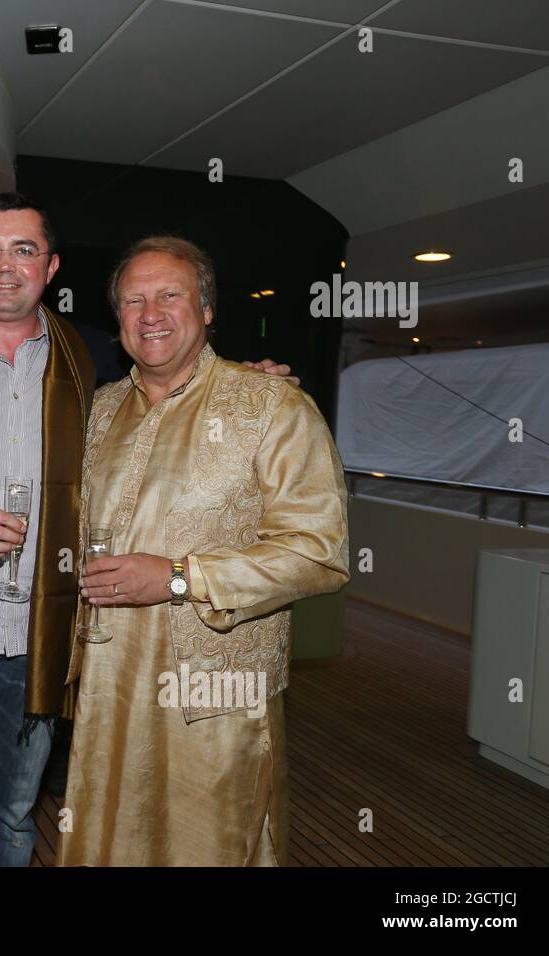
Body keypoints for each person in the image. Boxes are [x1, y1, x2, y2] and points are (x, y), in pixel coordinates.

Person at [0, 192, 295, 866]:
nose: (4, 266)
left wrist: (248, 380)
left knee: (9, 821)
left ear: (51, 266)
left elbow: (175, 379)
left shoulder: (94, 353)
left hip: (50, 635)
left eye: (23, 250)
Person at [57, 237, 349, 866]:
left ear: (207, 308)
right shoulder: (102, 410)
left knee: (209, 844)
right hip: (109, 683)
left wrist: (181, 578)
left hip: (215, 691)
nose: (151, 312)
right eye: (134, 300)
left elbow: (319, 552)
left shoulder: (273, 407)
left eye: (170, 295)